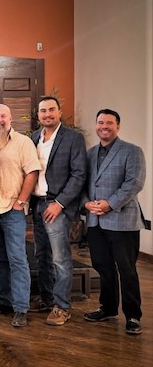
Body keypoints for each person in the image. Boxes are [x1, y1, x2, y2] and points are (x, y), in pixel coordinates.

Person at [82, 109, 145, 335]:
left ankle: (133, 316)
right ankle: (108, 308)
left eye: (109, 122)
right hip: (95, 222)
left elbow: (134, 183)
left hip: (122, 220)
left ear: (118, 126)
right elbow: (82, 182)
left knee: (126, 270)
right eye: (100, 122)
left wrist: (109, 203)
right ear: (96, 125)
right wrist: (87, 203)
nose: (104, 126)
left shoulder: (132, 151)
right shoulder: (89, 154)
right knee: (103, 267)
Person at [30, 97, 87, 326]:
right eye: (43, 111)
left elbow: (79, 174)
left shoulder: (73, 138)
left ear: (60, 112)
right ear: (38, 116)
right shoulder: (34, 137)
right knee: (41, 256)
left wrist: (60, 203)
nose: (47, 114)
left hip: (57, 206)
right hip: (37, 204)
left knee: (60, 258)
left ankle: (62, 307)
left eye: (51, 110)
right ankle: (47, 298)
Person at [0, 104, 41, 327]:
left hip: (12, 209)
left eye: (3, 116)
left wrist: (21, 201)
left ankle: (21, 307)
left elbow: (32, 172)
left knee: (17, 258)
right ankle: (5, 301)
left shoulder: (23, 143)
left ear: (10, 119)